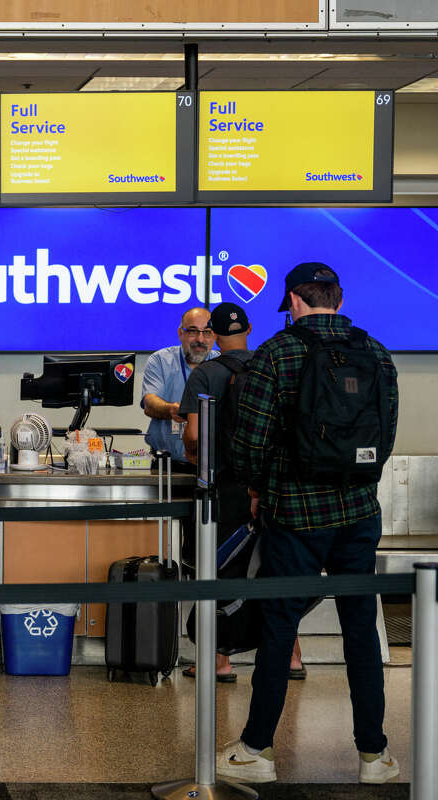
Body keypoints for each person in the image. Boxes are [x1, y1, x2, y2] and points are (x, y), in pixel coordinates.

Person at [217, 263, 399, 785]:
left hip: (294, 514)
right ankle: (374, 757)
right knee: (361, 631)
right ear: (337, 299)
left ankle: (257, 751)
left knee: (279, 629)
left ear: (295, 301)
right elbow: (383, 442)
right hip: (360, 514)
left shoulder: (277, 354)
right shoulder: (377, 355)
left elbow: (249, 444)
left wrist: (257, 488)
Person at [178, 303, 304, 684]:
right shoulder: (271, 366)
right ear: (249, 328)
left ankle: (219, 661)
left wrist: (190, 447)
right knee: (272, 569)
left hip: (224, 489)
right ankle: (291, 656)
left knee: (219, 570)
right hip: (271, 486)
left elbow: (196, 437)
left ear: (213, 335)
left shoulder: (206, 374)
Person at [141, 306, 216, 466]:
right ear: (181, 333)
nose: (200, 339)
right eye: (193, 331)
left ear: (214, 335)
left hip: (214, 467)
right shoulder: (160, 360)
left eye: (207, 332)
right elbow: (150, 403)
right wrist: (172, 409)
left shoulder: (222, 364)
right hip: (167, 465)